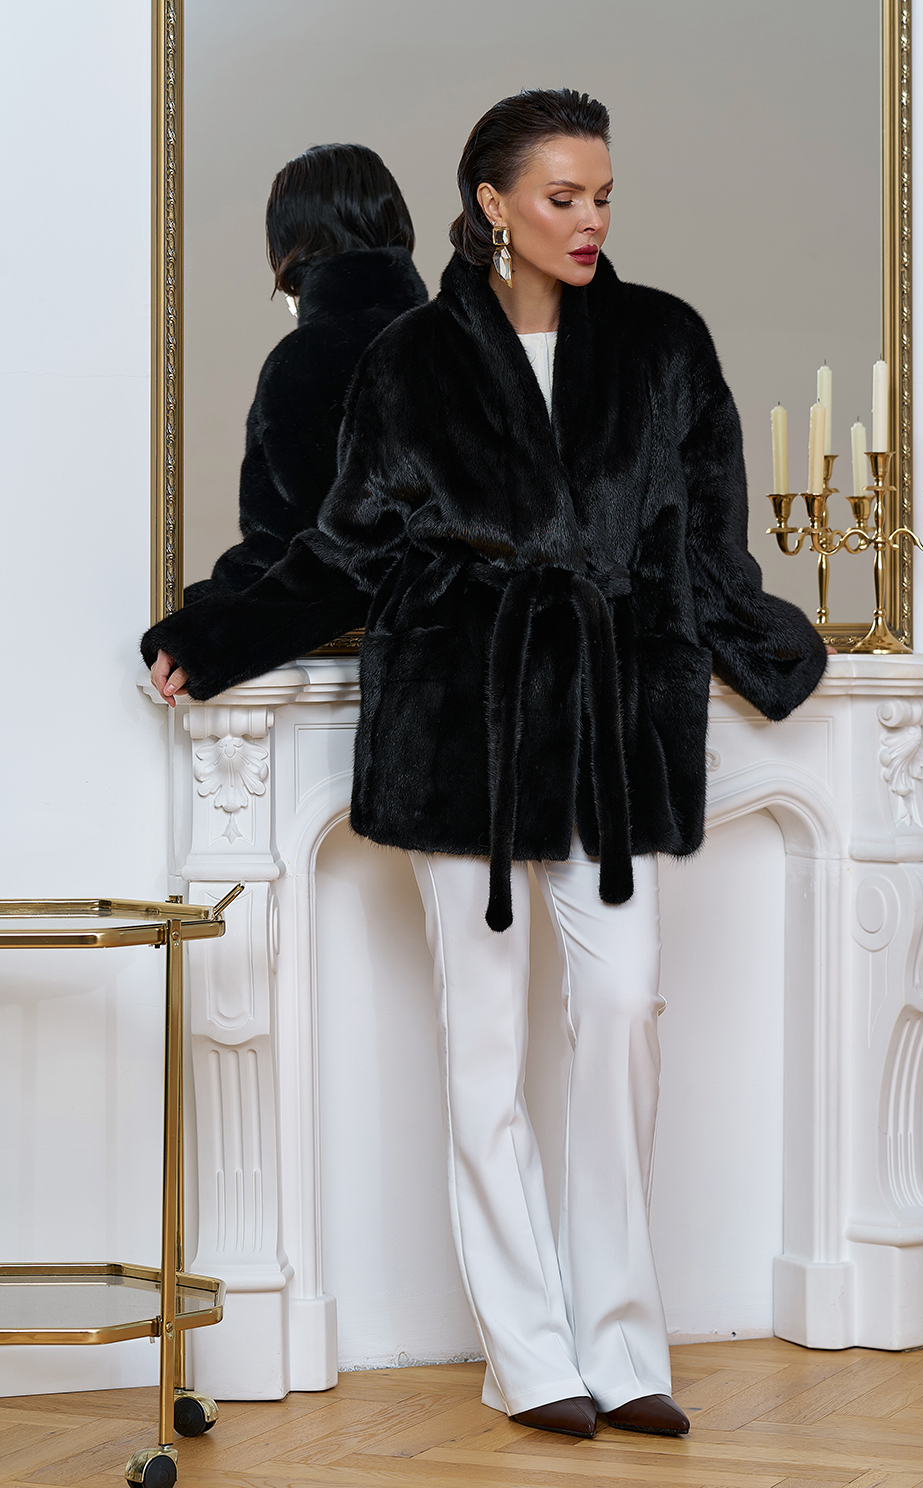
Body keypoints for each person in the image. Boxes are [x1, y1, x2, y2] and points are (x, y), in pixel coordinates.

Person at [143, 89, 828, 1439]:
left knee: (623, 1012)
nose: (590, 219)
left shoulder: (663, 343)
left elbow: (707, 543)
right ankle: (529, 1354)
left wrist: (767, 650)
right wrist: (214, 637)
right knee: (485, 1044)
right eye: (563, 197)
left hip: (615, 728)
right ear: (491, 205)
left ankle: (622, 1343)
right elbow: (341, 550)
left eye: (604, 196)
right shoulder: (411, 360)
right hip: (463, 716)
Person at [185, 143, 427, 604]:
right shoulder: (464, 341)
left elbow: (284, 545)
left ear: (288, 241)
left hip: (343, 638)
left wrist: (197, 613)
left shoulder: (302, 362)